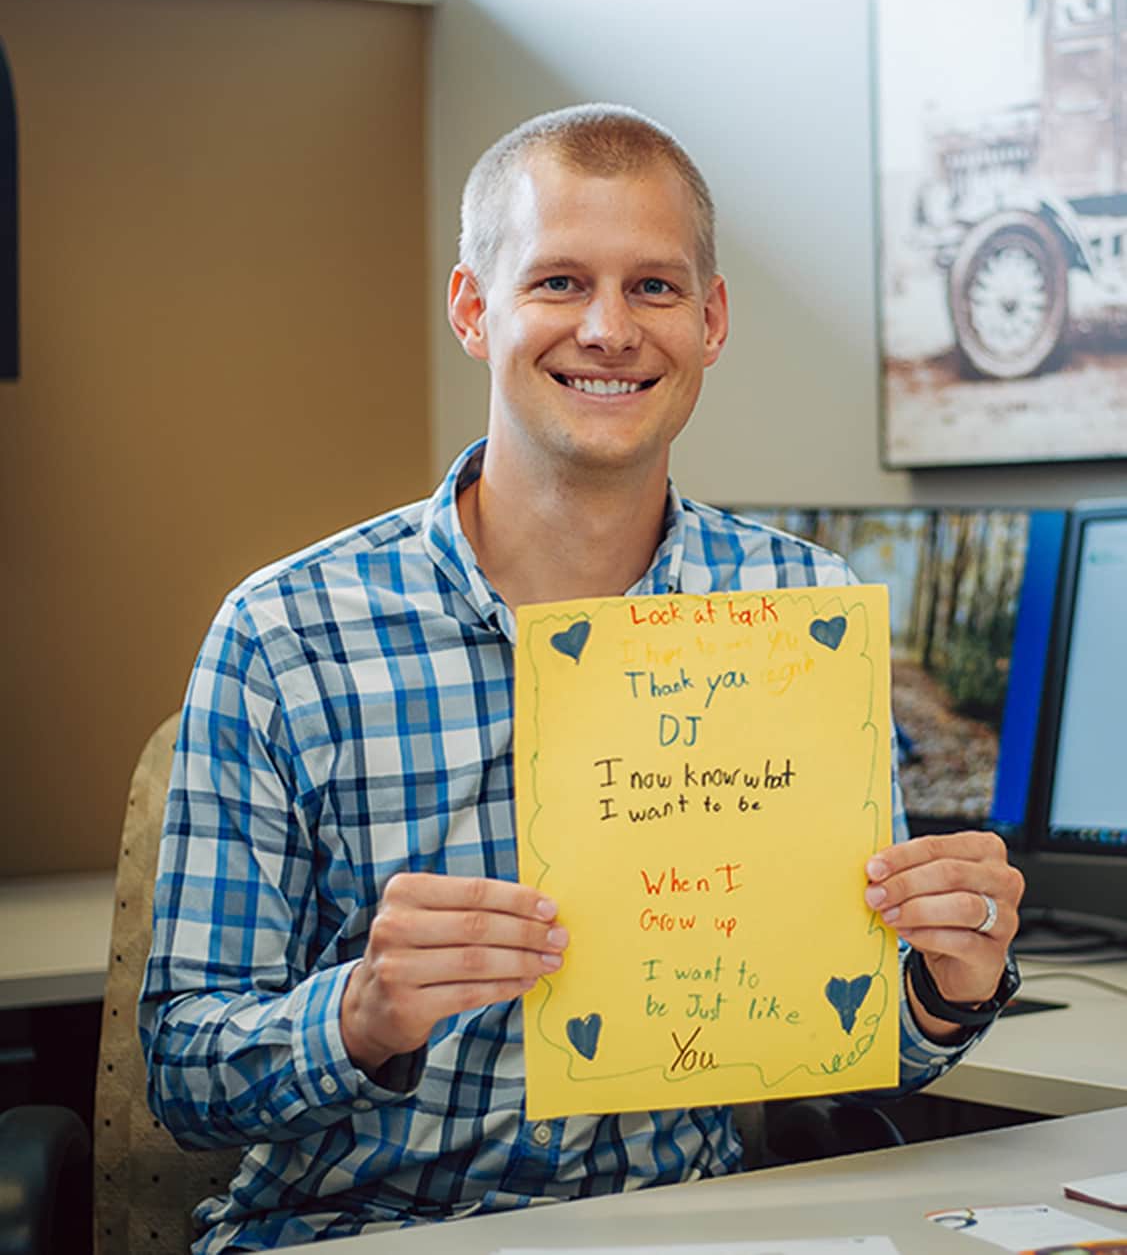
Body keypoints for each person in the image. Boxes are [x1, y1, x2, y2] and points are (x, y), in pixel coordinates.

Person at [140, 103, 1025, 1253]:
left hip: (684, 1230)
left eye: (653, 288)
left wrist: (946, 986)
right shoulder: (287, 631)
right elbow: (181, 1076)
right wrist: (355, 1018)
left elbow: (849, 1042)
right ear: (474, 309)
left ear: (709, 322)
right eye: (557, 281)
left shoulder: (793, 611)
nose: (608, 330)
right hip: (354, 1230)